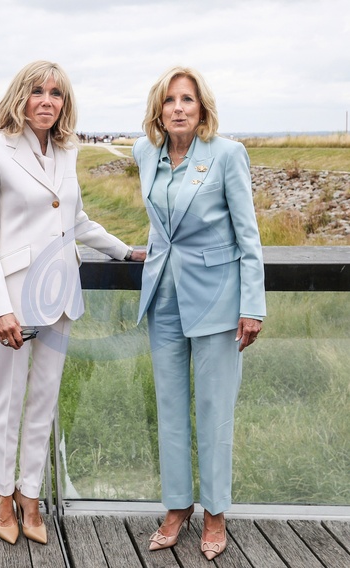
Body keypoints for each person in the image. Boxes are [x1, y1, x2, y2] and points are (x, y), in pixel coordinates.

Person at [0, 60, 145, 545]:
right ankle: (2, 497)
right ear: (20, 97)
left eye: (57, 93)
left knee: (44, 401)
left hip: (61, 295)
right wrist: (0, 307)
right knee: (8, 403)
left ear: (65, 103)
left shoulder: (67, 151)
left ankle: (31, 497)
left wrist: (125, 251)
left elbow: (76, 218)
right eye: (38, 91)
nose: (47, 101)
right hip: (14, 300)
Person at [133, 66, 266, 561]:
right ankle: (177, 506)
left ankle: (214, 513)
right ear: (158, 110)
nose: (178, 108)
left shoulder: (227, 155)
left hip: (218, 299)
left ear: (202, 107)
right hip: (163, 299)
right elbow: (162, 226)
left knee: (214, 412)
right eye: (170, 100)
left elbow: (248, 235)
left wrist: (252, 305)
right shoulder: (144, 152)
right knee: (169, 409)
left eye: (187, 99)